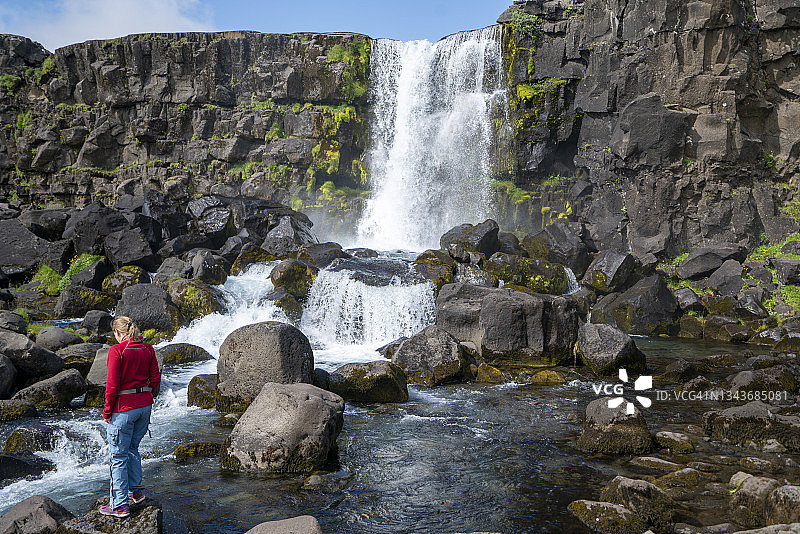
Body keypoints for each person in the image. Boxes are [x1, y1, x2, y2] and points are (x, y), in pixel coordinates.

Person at [100, 316, 161, 518]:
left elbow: (112, 386)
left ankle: (119, 506)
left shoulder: (116, 351)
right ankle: (137, 492)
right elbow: (155, 378)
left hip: (123, 409)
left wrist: (107, 411)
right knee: (132, 448)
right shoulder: (148, 349)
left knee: (117, 457)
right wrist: (149, 396)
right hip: (144, 407)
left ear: (117, 333)